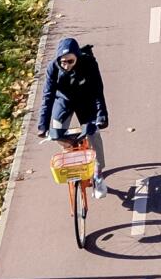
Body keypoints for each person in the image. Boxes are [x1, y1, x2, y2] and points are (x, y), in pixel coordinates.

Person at [37, 37, 112, 202]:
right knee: (55, 134)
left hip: (85, 101)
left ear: (77, 57)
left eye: (70, 61)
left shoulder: (89, 64)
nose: (66, 65)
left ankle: (98, 174)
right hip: (63, 101)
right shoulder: (52, 68)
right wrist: (42, 125)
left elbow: (98, 91)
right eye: (63, 61)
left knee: (93, 133)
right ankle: (72, 148)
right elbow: (47, 97)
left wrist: (101, 115)